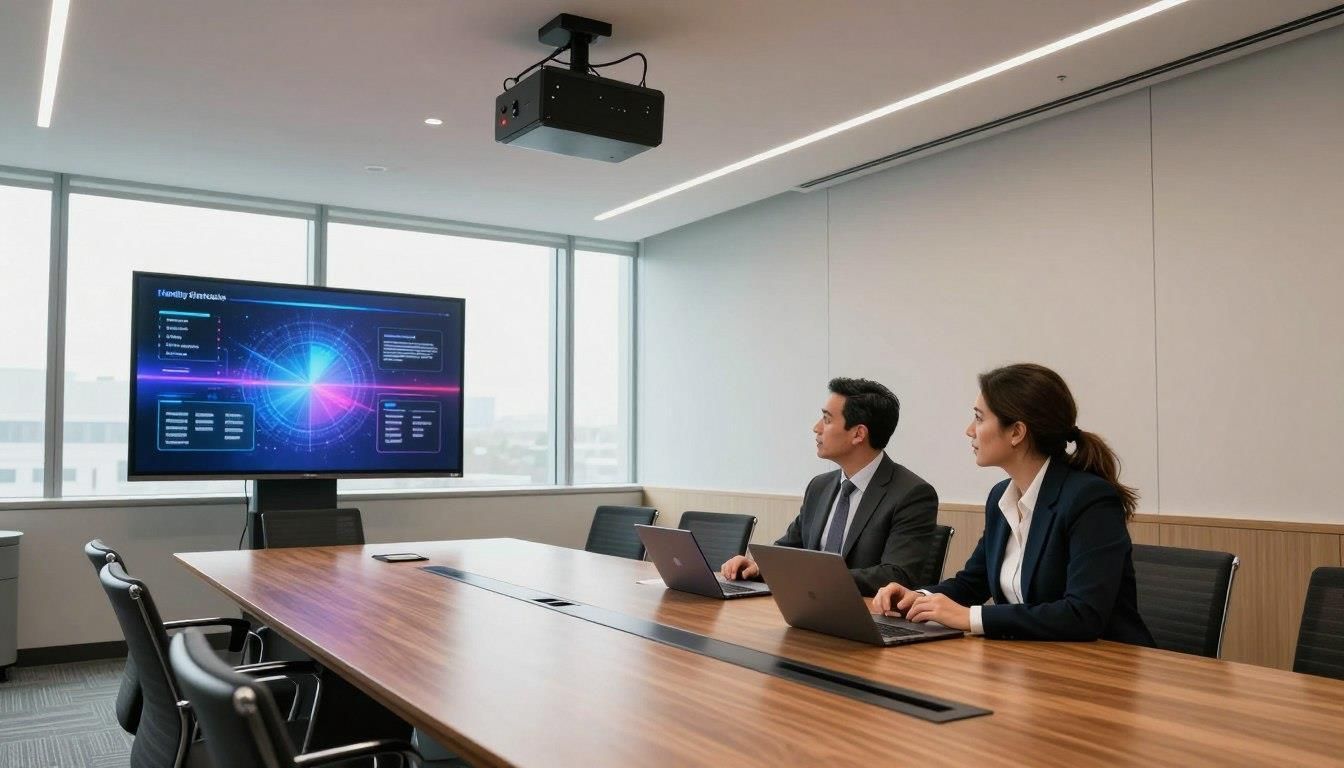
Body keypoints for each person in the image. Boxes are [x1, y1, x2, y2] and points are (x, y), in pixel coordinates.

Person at [873, 363, 1153, 644]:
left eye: (979, 418)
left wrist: (970, 618)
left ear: (1017, 432)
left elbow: (1083, 615)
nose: (969, 431)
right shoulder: (1000, 497)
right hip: (1033, 661)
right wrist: (919, 597)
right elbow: (973, 583)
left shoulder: (1089, 499)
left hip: (1106, 667)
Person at [720, 377, 938, 596]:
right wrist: (759, 567)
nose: (816, 428)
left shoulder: (912, 494)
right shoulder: (819, 486)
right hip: (808, 607)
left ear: (858, 434)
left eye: (826, 419)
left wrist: (814, 577)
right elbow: (789, 549)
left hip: (865, 617)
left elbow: (896, 575)